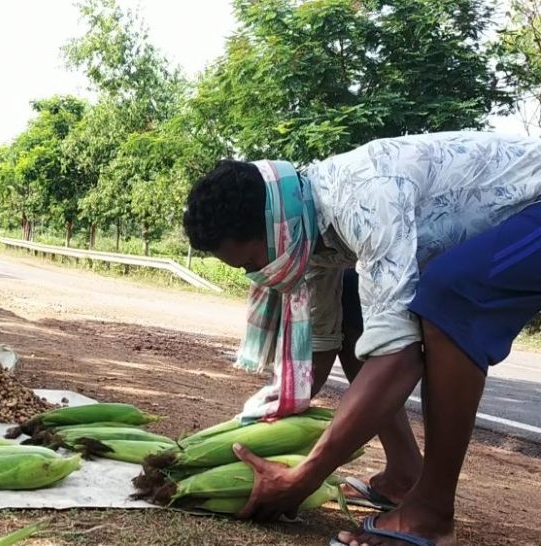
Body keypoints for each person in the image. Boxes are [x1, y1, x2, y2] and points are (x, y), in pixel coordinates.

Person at [182, 131, 541, 546]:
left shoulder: (362, 197)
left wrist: (306, 476)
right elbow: (321, 349)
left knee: (451, 293)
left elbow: (399, 357)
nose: (258, 275)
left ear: (275, 228)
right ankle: (404, 474)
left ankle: (431, 513)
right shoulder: (305, 230)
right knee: (354, 301)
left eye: (252, 260)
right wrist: (245, 429)